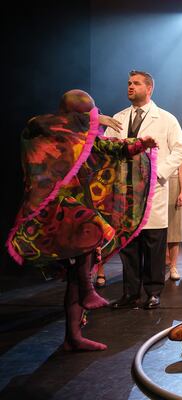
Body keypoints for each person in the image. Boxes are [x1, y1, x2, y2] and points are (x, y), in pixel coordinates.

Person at [7, 89, 158, 350]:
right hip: (51, 209)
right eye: (87, 113)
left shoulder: (82, 138)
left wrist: (139, 144)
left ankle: (73, 337)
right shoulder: (43, 129)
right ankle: (88, 291)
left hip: (72, 212)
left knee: (79, 270)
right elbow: (40, 125)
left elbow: (109, 147)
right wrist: (95, 120)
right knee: (93, 227)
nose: (91, 119)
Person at [106, 70, 182, 310]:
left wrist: (158, 172)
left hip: (153, 191)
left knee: (153, 244)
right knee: (129, 246)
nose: (130, 86)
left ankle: (153, 291)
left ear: (149, 89)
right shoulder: (118, 118)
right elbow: (107, 148)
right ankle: (130, 293)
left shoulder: (166, 119)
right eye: (129, 83)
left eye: (136, 83)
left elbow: (181, 150)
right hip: (125, 192)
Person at [166, 162, 182, 281]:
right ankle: (163, 262)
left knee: (174, 227)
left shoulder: (177, 143)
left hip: (173, 182)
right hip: (155, 182)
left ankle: (173, 266)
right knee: (156, 228)